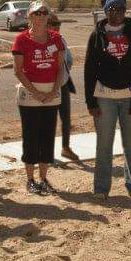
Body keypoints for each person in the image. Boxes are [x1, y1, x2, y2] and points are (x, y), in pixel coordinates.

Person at [84, 0, 131, 199]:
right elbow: (89, 70)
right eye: (111, 10)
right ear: (105, 12)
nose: (116, 13)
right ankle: (101, 188)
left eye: (120, 9)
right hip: (105, 97)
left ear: (125, 10)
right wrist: (91, 101)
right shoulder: (97, 35)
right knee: (104, 143)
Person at [11, 1, 64, 194]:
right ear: (30, 16)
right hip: (29, 94)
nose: (41, 16)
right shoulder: (21, 40)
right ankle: (30, 179)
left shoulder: (56, 38)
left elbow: (61, 68)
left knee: (47, 136)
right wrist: (35, 92)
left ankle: (43, 178)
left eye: (44, 13)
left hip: (52, 94)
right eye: (37, 13)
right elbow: (18, 71)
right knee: (31, 136)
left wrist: (52, 92)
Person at [48, 12, 79, 162]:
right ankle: (47, 151)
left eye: (58, 25)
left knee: (65, 118)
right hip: (48, 86)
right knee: (50, 119)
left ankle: (65, 147)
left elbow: (69, 60)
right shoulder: (44, 41)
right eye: (54, 25)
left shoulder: (62, 40)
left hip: (63, 84)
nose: (57, 27)